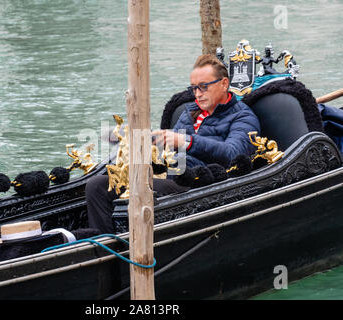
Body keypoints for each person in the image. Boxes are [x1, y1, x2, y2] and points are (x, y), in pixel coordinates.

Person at [86, 54, 261, 233]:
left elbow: (233, 153)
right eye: (194, 88)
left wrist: (187, 142)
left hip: (199, 182)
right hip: (170, 173)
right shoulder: (190, 112)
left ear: (224, 84)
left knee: (140, 186)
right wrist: (135, 139)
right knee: (97, 185)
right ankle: (104, 244)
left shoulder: (243, 117)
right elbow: (167, 147)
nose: (198, 95)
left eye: (203, 87)